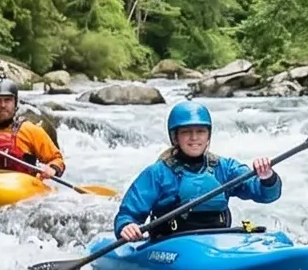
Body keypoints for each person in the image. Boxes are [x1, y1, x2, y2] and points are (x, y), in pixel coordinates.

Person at [115, 102, 281, 242]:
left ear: (208, 135)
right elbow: (128, 214)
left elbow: (266, 194)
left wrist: (267, 178)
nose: (194, 138)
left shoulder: (224, 167)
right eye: (186, 132)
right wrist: (126, 226)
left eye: (200, 131)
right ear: (175, 138)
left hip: (218, 242)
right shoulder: (157, 173)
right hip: (171, 245)